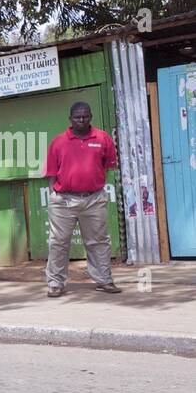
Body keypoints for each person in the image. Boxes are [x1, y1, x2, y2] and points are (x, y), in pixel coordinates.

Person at [43, 101, 120, 297]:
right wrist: (55, 195)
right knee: (58, 242)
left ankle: (104, 280)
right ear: (70, 119)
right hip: (63, 201)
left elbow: (108, 165)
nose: (81, 120)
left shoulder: (102, 138)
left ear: (91, 117)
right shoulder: (58, 142)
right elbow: (52, 173)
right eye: (77, 117)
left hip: (94, 199)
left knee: (99, 242)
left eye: (85, 116)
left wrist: (94, 185)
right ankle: (55, 283)